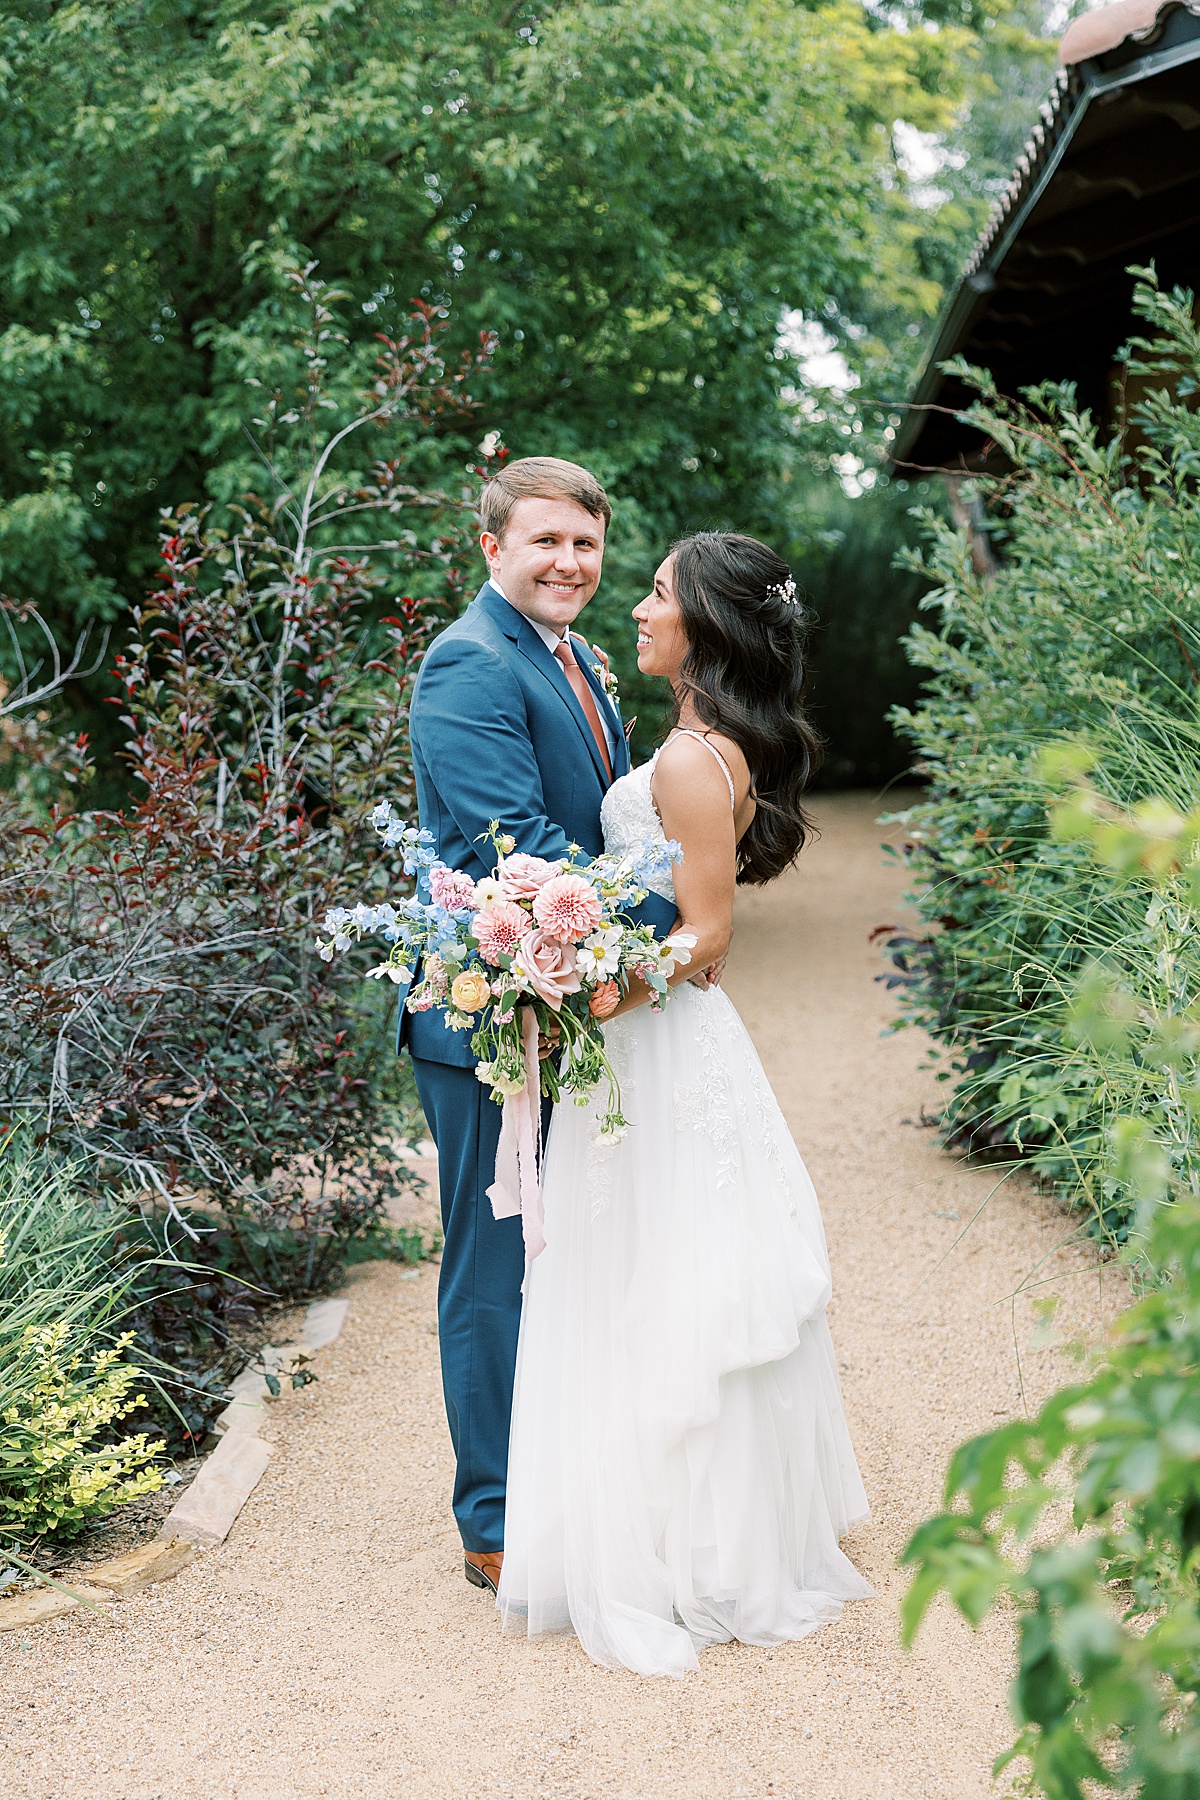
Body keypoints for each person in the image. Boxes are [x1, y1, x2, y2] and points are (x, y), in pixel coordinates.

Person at [498, 531, 873, 1676]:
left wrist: (577, 998)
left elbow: (708, 937)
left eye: (659, 593)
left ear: (704, 626)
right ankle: (688, 1532)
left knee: (656, 1279)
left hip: (655, 1046)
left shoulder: (683, 765)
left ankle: (681, 1554)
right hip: (664, 1046)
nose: (642, 609)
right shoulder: (701, 748)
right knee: (662, 1274)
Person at [403, 457, 679, 1595]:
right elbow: (514, 844)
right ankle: (497, 1518)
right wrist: (676, 921)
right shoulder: (469, 662)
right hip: (482, 1015)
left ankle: (565, 1474)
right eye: (545, 543)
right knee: (493, 1264)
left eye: (585, 544)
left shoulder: (574, 659)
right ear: (491, 550)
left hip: (561, 997)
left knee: (570, 1250)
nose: (569, 564)